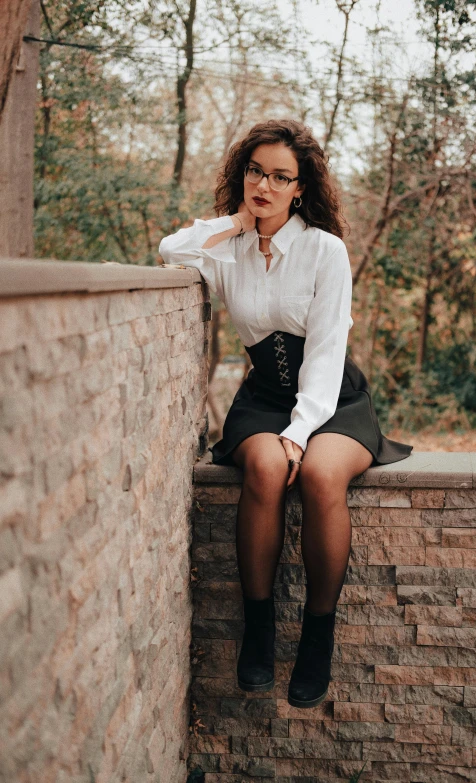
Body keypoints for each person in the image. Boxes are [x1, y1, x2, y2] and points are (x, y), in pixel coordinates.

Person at [159, 119, 413, 709]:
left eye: (280, 177)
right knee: (267, 470)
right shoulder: (230, 253)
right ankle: (259, 629)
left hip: (334, 398)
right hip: (263, 398)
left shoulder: (325, 250)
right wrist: (237, 223)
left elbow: (325, 353)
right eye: (255, 172)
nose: (264, 185)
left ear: (300, 188)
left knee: (322, 475)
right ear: (242, 175)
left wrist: (301, 433)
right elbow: (172, 251)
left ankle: (317, 636)